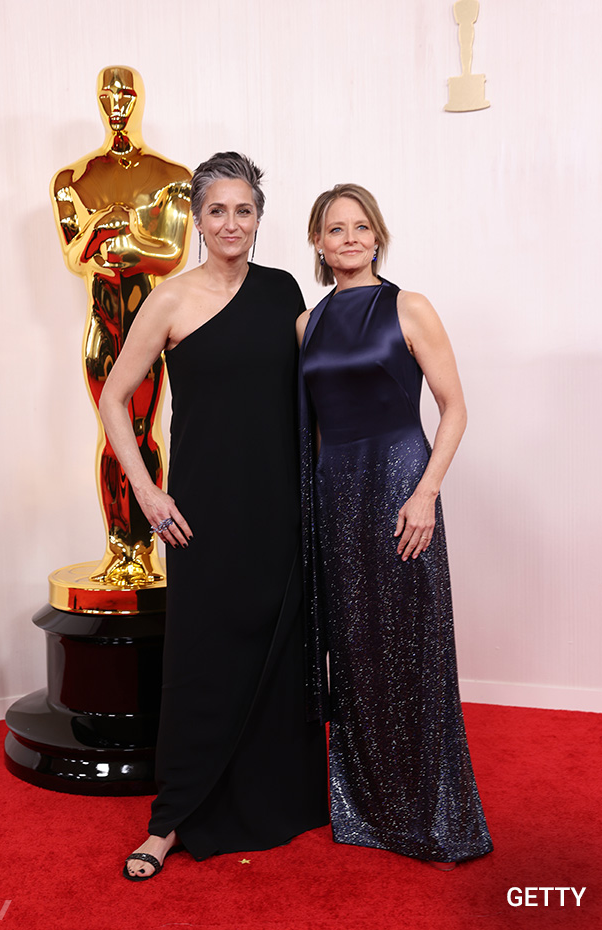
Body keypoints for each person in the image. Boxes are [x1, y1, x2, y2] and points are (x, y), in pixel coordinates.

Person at [99, 152, 329, 880]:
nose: (232, 224)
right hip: (199, 509)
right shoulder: (168, 300)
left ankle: (279, 800)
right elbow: (114, 397)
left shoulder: (283, 288)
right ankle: (171, 820)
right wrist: (147, 489)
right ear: (197, 220)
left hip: (281, 502)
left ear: (259, 219)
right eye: (218, 211)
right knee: (200, 661)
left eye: (245, 211)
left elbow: (322, 380)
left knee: (279, 650)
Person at [297, 183, 492, 868]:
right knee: (354, 648)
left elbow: (454, 407)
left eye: (360, 227)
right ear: (318, 244)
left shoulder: (409, 306)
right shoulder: (308, 324)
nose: (349, 239)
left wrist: (426, 492)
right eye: (334, 229)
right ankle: (368, 808)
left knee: (412, 645)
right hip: (336, 492)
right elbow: (311, 429)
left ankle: (432, 810)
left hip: (400, 485)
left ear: (377, 235)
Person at [50, 66, 192, 588]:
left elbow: (170, 254)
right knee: (111, 435)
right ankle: (119, 549)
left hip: (146, 322)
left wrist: (116, 232)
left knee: (141, 431)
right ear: (96, 98)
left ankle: (146, 549)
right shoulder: (72, 180)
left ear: (141, 99)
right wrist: (107, 230)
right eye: (108, 92)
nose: (117, 100)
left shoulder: (171, 176)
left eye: (126, 91)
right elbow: (73, 254)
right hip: (102, 320)